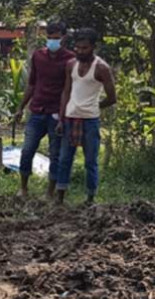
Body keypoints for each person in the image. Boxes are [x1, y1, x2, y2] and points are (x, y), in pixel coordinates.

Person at [56, 28, 117, 206]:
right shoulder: (71, 65)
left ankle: (90, 199)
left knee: (90, 161)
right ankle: (60, 198)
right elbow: (66, 91)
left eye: (84, 48)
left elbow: (112, 98)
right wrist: (61, 118)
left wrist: (94, 107)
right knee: (64, 159)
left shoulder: (102, 68)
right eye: (77, 48)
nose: (80, 51)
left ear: (93, 47)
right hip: (70, 117)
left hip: (90, 120)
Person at [16, 22, 75, 198]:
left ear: (63, 38)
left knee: (55, 153)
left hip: (56, 112)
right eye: (49, 38)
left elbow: (68, 89)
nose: (52, 41)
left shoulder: (70, 60)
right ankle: (24, 188)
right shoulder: (38, 56)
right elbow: (32, 83)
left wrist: (63, 117)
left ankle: (50, 192)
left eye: (56, 38)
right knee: (27, 150)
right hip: (37, 110)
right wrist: (20, 107)